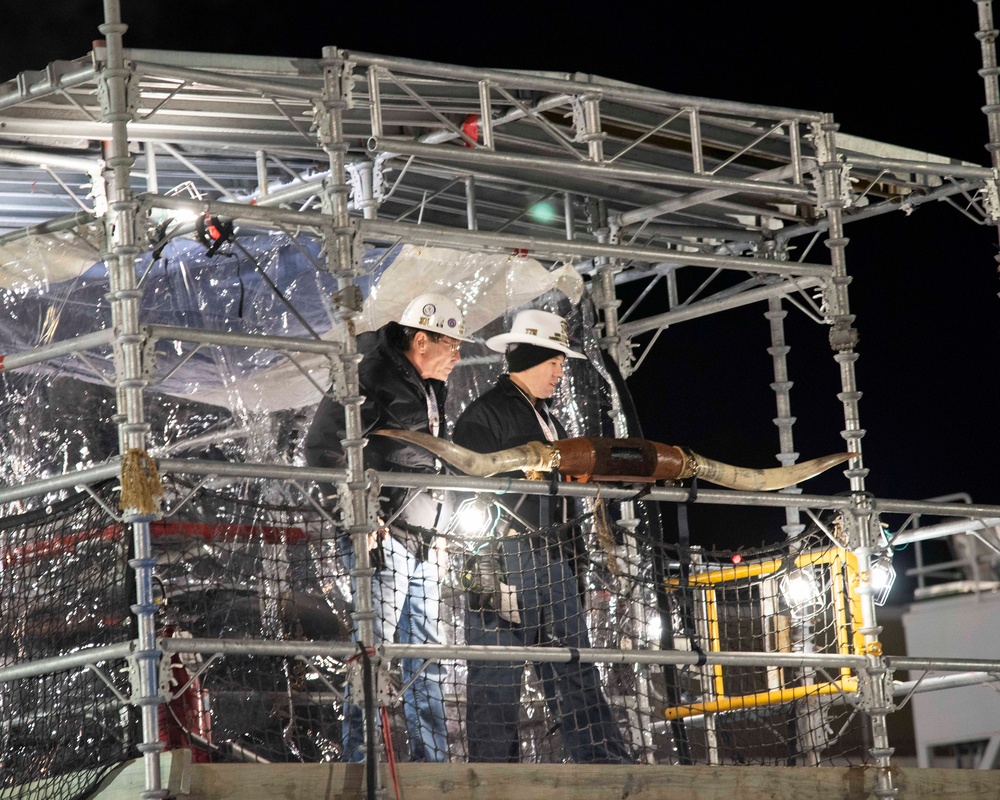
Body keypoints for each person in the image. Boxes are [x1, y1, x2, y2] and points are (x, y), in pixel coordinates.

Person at [451, 308, 632, 764]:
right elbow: (464, 502)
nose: (559, 371)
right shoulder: (484, 416)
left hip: (556, 563)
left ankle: (607, 771)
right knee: (497, 684)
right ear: (531, 356)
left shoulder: (546, 418)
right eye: (554, 361)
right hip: (509, 561)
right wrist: (484, 576)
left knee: (575, 675)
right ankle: (493, 784)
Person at [304, 291, 472, 763]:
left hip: (422, 539)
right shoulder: (369, 376)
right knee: (372, 656)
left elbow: (431, 462)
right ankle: (362, 761)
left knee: (428, 660)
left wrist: (438, 529)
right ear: (422, 341)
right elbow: (322, 449)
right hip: (382, 540)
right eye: (451, 345)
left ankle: (432, 762)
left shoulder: (431, 384)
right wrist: (360, 519)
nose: (458, 356)